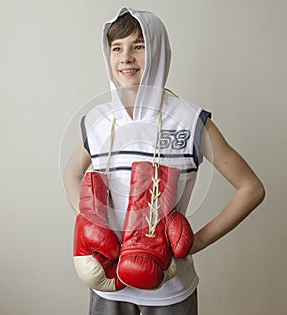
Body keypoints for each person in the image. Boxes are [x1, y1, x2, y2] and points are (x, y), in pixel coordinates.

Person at [63, 7, 265, 315]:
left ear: (158, 52)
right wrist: (90, 221)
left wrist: (196, 241)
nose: (126, 57)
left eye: (138, 46)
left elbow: (251, 188)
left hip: (169, 289)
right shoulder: (97, 120)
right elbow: (71, 175)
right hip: (106, 285)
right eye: (117, 48)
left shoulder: (190, 119)